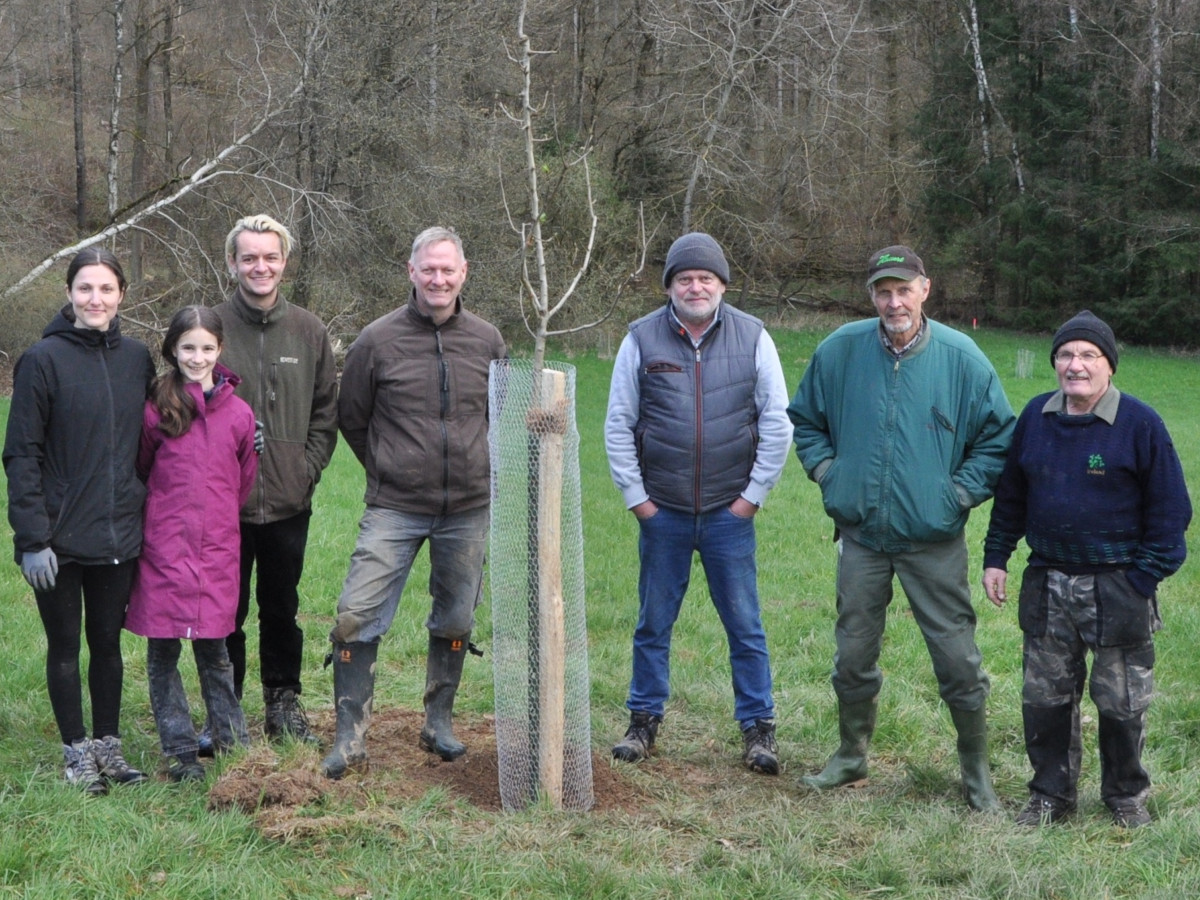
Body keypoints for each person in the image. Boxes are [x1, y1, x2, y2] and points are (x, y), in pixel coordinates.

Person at [787, 245, 1015, 810]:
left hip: (933, 539)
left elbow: (998, 438)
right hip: (862, 537)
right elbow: (806, 421)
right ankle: (849, 757)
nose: (894, 302)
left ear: (925, 290)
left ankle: (976, 772)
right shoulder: (840, 351)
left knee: (958, 659)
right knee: (852, 655)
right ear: (872, 297)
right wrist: (829, 474)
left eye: (903, 290)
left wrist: (956, 494)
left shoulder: (962, 358)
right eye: (883, 292)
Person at [982, 310, 1191, 828]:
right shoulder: (1035, 417)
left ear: (1109, 366)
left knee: (1121, 702)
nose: (1076, 365)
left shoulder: (1140, 425)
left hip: (1119, 585)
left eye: (1088, 355)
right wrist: (996, 557)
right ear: (1055, 363)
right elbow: (1010, 496)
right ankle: (1051, 796)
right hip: (1047, 583)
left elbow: (1171, 513)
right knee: (1045, 698)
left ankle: (1125, 796)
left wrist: (1142, 579)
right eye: (1066, 355)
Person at [320, 226, 507, 779]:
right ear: (411, 272)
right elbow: (350, 416)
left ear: (464, 273)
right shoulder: (377, 341)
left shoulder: (488, 341)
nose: (439, 279)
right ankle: (349, 738)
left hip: (469, 508)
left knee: (455, 615)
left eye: (448, 270)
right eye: (429, 269)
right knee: (357, 615)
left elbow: (501, 413)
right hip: (394, 507)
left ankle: (439, 723)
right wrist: (386, 466)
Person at [604, 231, 792, 775]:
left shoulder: (754, 337)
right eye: (684, 278)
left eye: (705, 278)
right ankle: (643, 723)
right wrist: (638, 500)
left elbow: (777, 422)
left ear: (722, 285)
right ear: (669, 286)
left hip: (727, 514)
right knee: (652, 623)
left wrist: (751, 499)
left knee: (745, 624)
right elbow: (619, 423)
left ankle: (758, 729)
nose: (695, 286)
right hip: (661, 512)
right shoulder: (640, 338)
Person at [3, 247, 155, 795]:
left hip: (118, 530)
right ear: (69, 293)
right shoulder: (42, 360)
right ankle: (76, 754)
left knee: (108, 646)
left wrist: (237, 417)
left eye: (107, 289)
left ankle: (108, 748)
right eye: (85, 288)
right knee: (65, 646)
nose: (96, 298)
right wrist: (31, 538)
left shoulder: (137, 358)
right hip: (58, 538)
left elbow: (168, 420)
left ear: (121, 295)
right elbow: (21, 454)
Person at [213, 214, 339, 748]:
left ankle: (283, 701)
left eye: (270, 257)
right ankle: (227, 707)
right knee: (227, 609)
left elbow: (325, 412)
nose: (259, 266)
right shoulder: (211, 327)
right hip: (224, 504)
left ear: (284, 262)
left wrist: (305, 470)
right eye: (249, 257)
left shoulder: (308, 331)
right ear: (233, 263)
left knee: (281, 607)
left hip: (288, 501)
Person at [124, 307, 259, 782]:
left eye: (206, 348)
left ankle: (233, 743)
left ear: (219, 350)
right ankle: (180, 750)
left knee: (215, 653)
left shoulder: (240, 415)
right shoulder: (157, 408)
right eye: (187, 348)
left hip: (217, 552)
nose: (196, 357)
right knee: (163, 655)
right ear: (172, 350)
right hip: (163, 549)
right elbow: (142, 469)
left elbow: (242, 481)